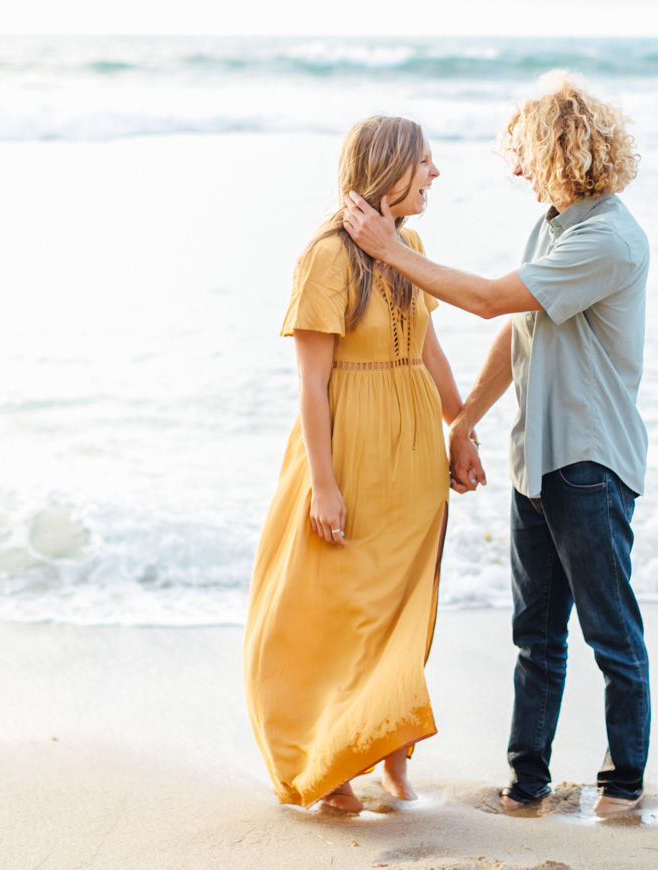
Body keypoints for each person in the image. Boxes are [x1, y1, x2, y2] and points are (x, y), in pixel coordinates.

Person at [342, 71, 650, 817]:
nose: (511, 163)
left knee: (611, 632)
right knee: (534, 634)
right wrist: (464, 419)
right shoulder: (554, 225)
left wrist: (390, 251)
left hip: (589, 463)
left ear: (553, 148)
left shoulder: (607, 238)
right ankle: (528, 784)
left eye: (519, 148)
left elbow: (484, 302)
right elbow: (519, 327)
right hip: (537, 460)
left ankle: (622, 786)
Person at [243, 116, 470, 813]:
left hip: (412, 457)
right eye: (425, 163)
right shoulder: (327, 256)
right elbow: (312, 382)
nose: (435, 175)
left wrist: (461, 429)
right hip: (348, 448)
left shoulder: (413, 245)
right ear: (390, 169)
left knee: (402, 608)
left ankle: (391, 756)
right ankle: (329, 761)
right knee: (342, 610)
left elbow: (427, 347)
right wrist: (325, 486)